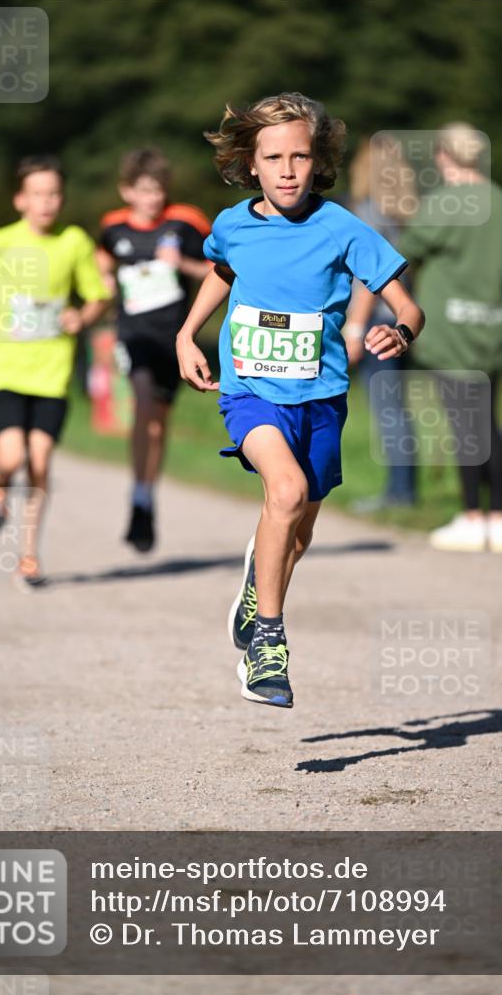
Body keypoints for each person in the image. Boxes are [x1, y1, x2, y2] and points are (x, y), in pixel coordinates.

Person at [176, 93, 424, 708]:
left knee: (298, 527)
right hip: (251, 391)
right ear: (250, 164)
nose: (288, 169)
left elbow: (407, 304)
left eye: (301, 156)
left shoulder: (342, 227)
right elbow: (222, 271)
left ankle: (258, 589)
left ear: (319, 163)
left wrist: (400, 331)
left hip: (321, 398)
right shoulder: (233, 224)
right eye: (274, 157)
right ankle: (267, 647)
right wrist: (187, 334)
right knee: (282, 493)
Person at [0, 155, 111, 589]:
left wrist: (83, 316)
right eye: (38, 194)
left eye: (54, 194)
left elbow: (96, 297)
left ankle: (28, 557)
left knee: (39, 464)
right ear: (20, 199)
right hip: (6, 372)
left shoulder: (74, 242)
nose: (47, 202)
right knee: (11, 457)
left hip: (53, 375)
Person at [399, 123, 502, 553]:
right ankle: (498, 517)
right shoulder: (499, 198)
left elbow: (407, 250)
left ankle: (471, 516)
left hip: (452, 329)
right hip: (493, 325)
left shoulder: (445, 201)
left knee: (464, 424)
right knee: (488, 420)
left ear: (445, 156)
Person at [97, 149, 211, 552]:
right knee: (143, 405)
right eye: (144, 191)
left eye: (159, 190)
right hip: (134, 335)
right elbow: (101, 261)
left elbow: (219, 269)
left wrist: (182, 263)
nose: (153, 199)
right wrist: (104, 282)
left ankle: (145, 495)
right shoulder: (112, 227)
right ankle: (139, 491)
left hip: (175, 338)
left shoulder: (186, 222)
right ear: (127, 191)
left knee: (159, 422)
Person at [343, 136, 419, 510]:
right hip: (400, 319)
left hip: (376, 322)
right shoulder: (405, 210)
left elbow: (369, 280)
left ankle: (399, 493)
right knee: (396, 407)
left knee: (387, 407)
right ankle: (403, 488)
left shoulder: (371, 210)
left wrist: (355, 329)